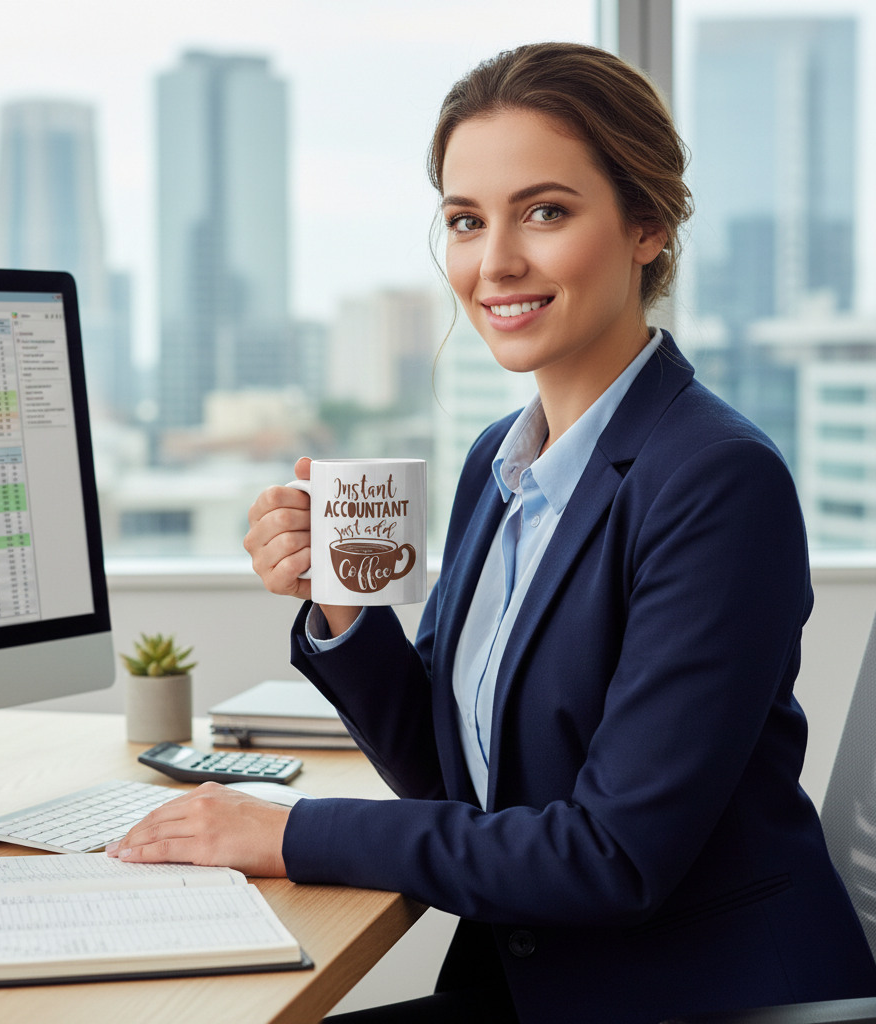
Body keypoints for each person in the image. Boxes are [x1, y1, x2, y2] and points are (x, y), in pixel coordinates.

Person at [108, 42, 876, 1022]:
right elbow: (455, 782)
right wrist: (342, 607)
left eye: (544, 212)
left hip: (688, 996)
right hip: (540, 982)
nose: (494, 261)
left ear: (646, 224)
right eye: (466, 221)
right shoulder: (496, 462)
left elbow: (612, 856)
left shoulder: (716, 479)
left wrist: (287, 832)